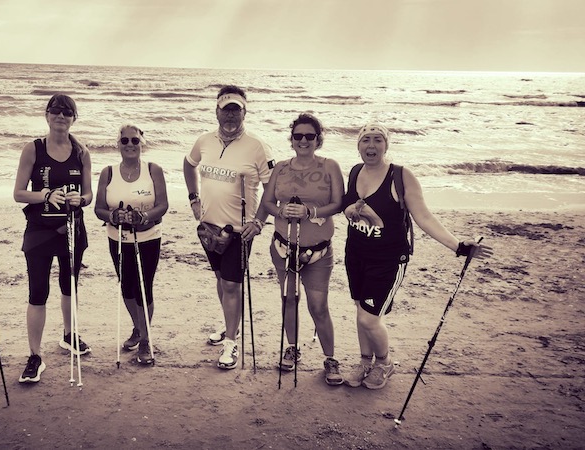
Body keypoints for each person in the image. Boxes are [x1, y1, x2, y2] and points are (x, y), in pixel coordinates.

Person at [341, 123, 493, 390]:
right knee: (361, 309)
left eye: (378, 140)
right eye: (366, 140)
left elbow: (424, 216)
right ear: (358, 145)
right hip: (355, 254)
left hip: (388, 259)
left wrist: (458, 245)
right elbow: (348, 207)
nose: (371, 145)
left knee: (369, 317)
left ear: (386, 145)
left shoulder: (401, 176)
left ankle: (384, 364)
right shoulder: (354, 172)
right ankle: (365, 362)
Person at [183, 85, 275, 370]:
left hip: (239, 230)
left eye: (237, 110)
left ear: (245, 112)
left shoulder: (257, 146)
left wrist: (259, 222)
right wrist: (193, 199)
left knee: (233, 285)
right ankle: (229, 325)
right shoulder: (204, 141)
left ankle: (231, 344)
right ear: (217, 111)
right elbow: (189, 166)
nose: (231, 116)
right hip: (208, 228)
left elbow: (273, 187)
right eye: (226, 110)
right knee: (222, 280)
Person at [13, 94, 93, 384]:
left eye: (67, 112)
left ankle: (69, 335)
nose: (61, 116)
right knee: (37, 292)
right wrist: (46, 195)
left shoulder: (82, 152)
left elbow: (88, 195)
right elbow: (19, 193)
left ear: (74, 118)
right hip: (39, 230)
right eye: (55, 111)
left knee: (69, 285)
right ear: (47, 116)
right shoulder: (33, 149)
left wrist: (79, 199)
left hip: (72, 228)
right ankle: (35, 355)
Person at [260, 113, 344, 385]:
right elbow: (268, 202)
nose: (304, 140)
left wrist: (310, 211)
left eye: (310, 136)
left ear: (319, 139)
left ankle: (330, 358)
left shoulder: (330, 165)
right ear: (292, 139)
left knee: (318, 306)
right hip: (284, 248)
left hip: (318, 252)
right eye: (298, 136)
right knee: (289, 300)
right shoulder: (281, 168)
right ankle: (292, 347)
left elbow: (338, 203)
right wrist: (281, 210)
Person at [94, 124, 169, 365]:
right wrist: (114, 216)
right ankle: (138, 328)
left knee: (143, 287)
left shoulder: (153, 170)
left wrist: (143, 217)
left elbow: (163, 205)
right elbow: (98, 209)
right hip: (118, 238)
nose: (129, 144)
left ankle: (145, 339)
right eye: (124, 140)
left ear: (141, 144)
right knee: (126, 286)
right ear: (118, 144)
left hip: (148, 237)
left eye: (134, 141)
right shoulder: (107, 172)